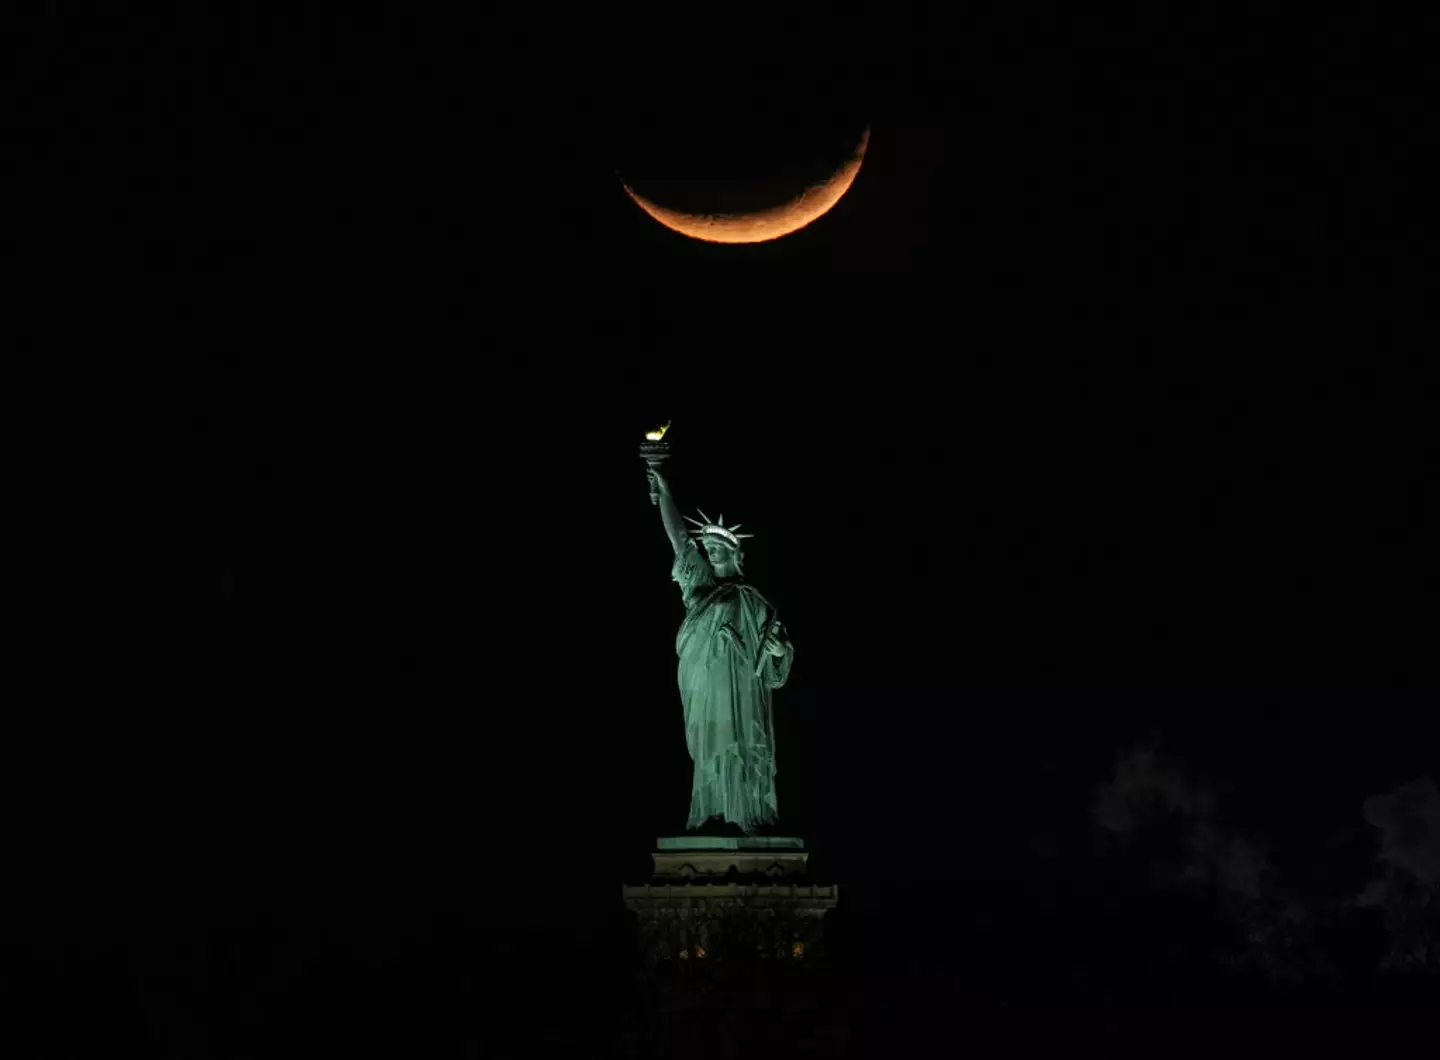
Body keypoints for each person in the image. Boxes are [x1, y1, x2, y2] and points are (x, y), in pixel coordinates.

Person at [647, 465, 794, 834]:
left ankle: (747, 813)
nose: (710, 553)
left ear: (734, 552)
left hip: (744, 687)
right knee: (712, 745)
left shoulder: (754, 601)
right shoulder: (698, 587)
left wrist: (780, 652)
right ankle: (712, 812)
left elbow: (776, 665)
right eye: (708, 548)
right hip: (705, 683)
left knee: (743, 743)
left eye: (717, 548)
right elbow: (680, 540)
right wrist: (664, 492)